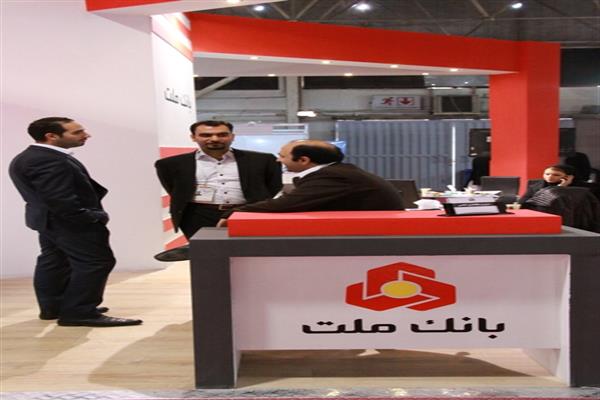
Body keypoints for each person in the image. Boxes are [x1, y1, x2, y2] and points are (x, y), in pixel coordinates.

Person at [8, 117, 143, 327]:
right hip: (69, 223)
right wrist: (92, 217)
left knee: (55, 261)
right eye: (77, 132)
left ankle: (55, 307)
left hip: (50, 221)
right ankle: (79, 312)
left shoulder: (31, 156)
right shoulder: (48, 160)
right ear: (51, 136)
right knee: (96, 262)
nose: (86, 135)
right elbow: (60, 199)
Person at [217, 140, 404, 226]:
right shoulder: (339, 171)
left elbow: (288, 204)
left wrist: (234, 213)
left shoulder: (333, 176)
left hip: (373, 236)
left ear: (304, 160)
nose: (278, 160)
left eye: (282, 156)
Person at [155, 120, 282, 239]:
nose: (214, 139)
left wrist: (255, 205)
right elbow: (175, 189)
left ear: (232, 136)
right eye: (206, 135)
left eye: (222, 135)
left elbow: (274, 185)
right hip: (197, 215)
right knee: (205, 251)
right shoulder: (170, 164)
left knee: (250, 249)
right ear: (193, 137)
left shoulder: (263, 160)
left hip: (247, 212)